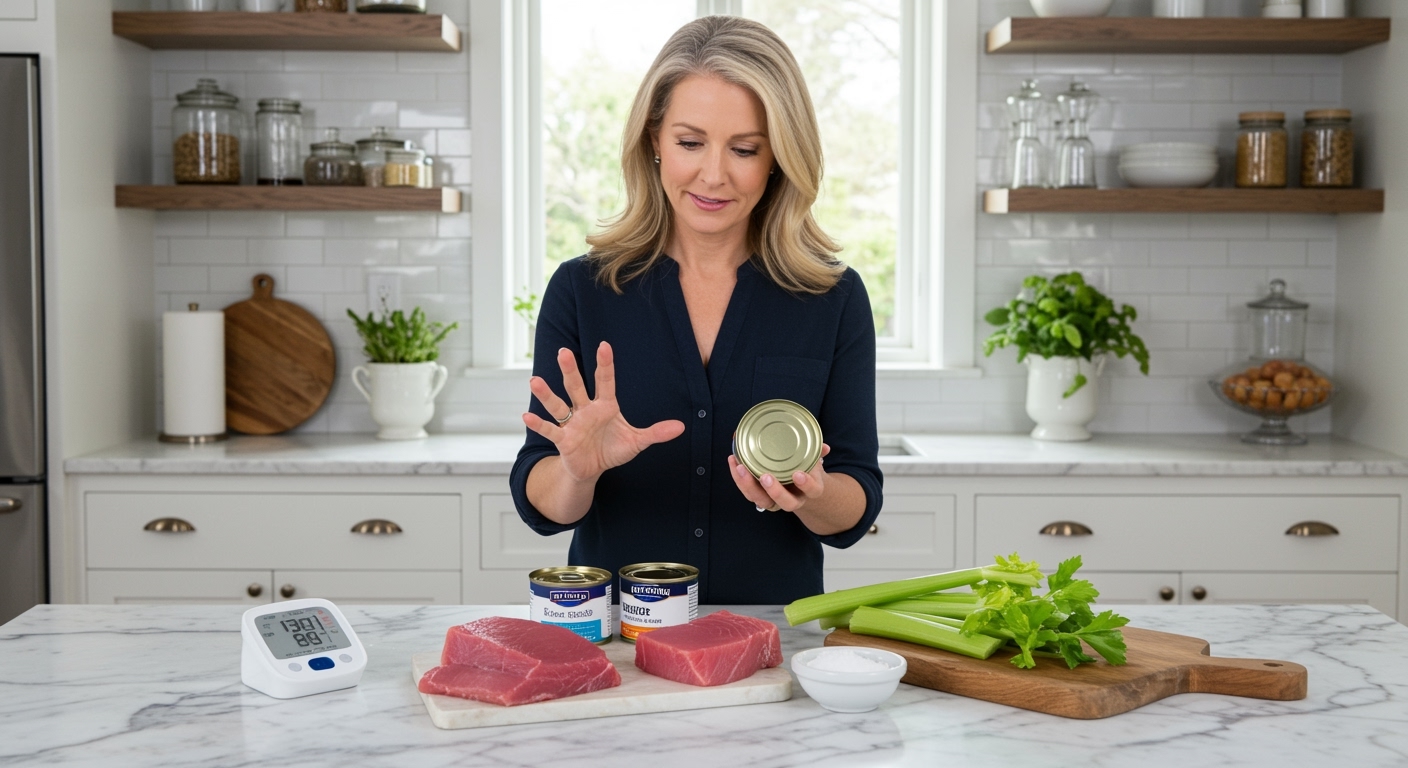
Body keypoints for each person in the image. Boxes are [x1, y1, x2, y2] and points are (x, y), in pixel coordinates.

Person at [510, 15, 881, 605]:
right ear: (654, 139)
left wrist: (811, 494)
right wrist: (578, 470)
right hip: (616, 636)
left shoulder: (832, 297)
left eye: (744, 149)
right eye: (689, 142)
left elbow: (855, 501)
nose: (714, 174)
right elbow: (546, 507)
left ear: (780, 157)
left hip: (771, 640)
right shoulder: (582, 289)